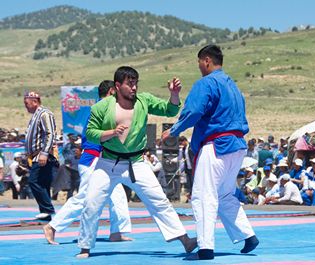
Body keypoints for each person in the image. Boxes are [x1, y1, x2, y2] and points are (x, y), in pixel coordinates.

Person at [77, 66, 197, 258]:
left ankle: (185, 240)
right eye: (129, 83)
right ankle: (85, 247)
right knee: (92, 202)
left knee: (159, 200)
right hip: (108, 163)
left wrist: (174, 94)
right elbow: (90, 133)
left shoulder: (144, 101)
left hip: (136, 162)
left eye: (136, 83)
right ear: (117, 86)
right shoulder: (101, 107)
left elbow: (170, 109)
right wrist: (111, 133)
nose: (134, 87)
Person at [162, 45, 258, 260]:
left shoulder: (207, 83)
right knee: (224, 194)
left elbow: (194, 111)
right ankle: (247, 235)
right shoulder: (233, 86)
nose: (199, 67)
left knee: (203, 196)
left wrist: (174, 130)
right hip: (236, 146)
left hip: (216, 145)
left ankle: (205, 248)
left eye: (199, 63)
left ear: (206, 60)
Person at [43, 80, 132, 245]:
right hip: (93, 159)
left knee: (117, 193)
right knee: (85, 197)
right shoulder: (103, 108)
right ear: (112, 90)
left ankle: (117, 231)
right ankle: (52, 226)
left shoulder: (104, 108)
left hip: (103, 159)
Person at [24, 91, 57, 220]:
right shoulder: (35, 116)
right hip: (36, 155)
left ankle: (48, 209)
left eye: (27, 103)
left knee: (34, 181)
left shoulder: (44, 114)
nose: (25, 106)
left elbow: (50, 134)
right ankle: (46, 212)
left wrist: (44, 153)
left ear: (35, 102)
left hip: (43, 155)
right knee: (43, 183)